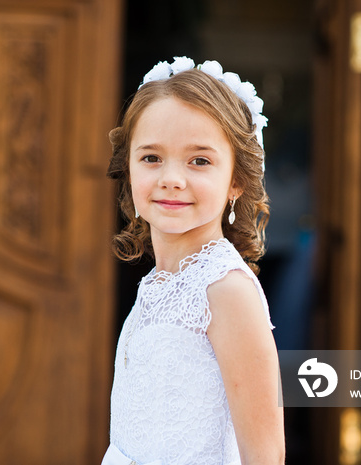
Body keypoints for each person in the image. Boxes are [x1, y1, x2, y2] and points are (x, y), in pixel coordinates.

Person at [102, 57, 285, 465]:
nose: (171, 178)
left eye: (199, 160)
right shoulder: (160, 283)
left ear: (236, 179)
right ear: (128, 168)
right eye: (151, 158)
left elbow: (266, 455)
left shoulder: (226, 289)